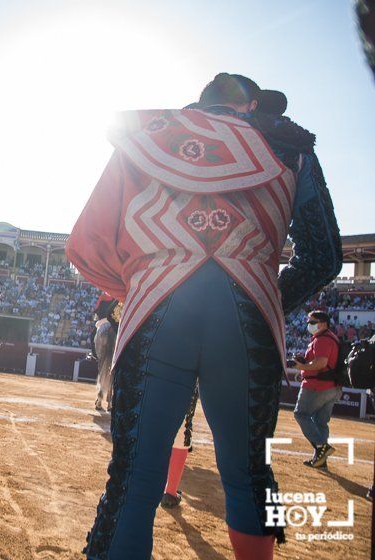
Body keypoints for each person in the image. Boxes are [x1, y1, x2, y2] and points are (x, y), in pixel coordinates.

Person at [67, 73, 342, 559]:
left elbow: (88, 241)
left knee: (133, 474)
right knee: (249, 472)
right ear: (252, 105)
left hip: (155, 307)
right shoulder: (288, 144)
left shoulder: (144, 136)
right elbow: (324, 255)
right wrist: (267, 303)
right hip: (248, 313)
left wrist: (136, 285)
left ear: (199, 101)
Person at [292, 310, 343, 469]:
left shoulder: (322, 339)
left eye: (312, 322)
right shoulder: (331, 338)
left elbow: (321, 362)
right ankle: (320, 461)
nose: (309, 325)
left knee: (301, 414)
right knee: (321, 422)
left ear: (323, 323)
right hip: (331, 387)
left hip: (317, 386)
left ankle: (322, 447)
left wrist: (302, 367)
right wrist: (305, 370)